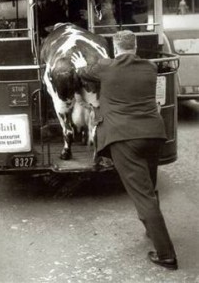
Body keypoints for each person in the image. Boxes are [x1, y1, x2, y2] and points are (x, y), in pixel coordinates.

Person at [71, 30, 178, 270]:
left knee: (143, 195)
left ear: (115, 48)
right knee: (149, 187)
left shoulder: (106, 67)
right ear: (136, 47)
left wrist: (79, 65)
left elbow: (82, 72)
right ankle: (153, 229)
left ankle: (167, 255)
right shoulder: (150, 67)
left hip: (124, 138)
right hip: (153, 135)